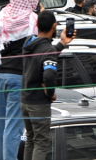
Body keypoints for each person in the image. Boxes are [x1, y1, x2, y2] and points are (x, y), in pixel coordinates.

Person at [0, 0, 42, 160]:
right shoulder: (33, 20)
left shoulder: (1, 16)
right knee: (14, 126)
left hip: (0, 76)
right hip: (20, 78)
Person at [21, 10, 75, 160]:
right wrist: (50, 93)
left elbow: (45, 56)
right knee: (41, 142)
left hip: (25, 100)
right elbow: (49, 74)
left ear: (37, 25)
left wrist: (62, 43)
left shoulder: (29, 43)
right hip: (39, 103)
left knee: (30, 139)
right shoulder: (47, 49)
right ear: (54, 26)